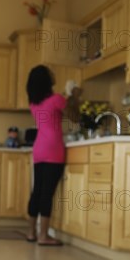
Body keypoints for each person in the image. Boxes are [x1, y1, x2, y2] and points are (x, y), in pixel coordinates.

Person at [25, 65, 79, 246]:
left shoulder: (34, 103)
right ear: (46, 80)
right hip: (53, 148)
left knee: (37, 192)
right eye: (51, 73)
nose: (53, 74)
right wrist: (73, 97)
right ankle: (43, 236)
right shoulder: (57, 99)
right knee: (46, 194)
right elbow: (75, 117)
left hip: (39, 148)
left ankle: (31, 233)